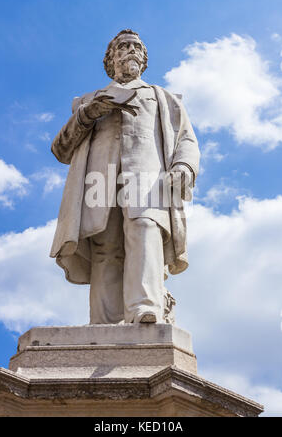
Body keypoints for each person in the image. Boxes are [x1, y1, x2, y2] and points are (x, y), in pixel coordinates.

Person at [50, 29, 200, 325]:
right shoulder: (89, 100)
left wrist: (184, 167)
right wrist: (87, 115)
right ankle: (104, 321)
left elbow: (187, 140)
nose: (130, 50)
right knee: (106, 245)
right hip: (100, 181)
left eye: (136, 47)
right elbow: (61, 149)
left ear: (143, 59)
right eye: (123, 47)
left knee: (144, 230)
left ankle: (145, 308)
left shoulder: (164, 98)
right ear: (111, 60)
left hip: (149, 180)